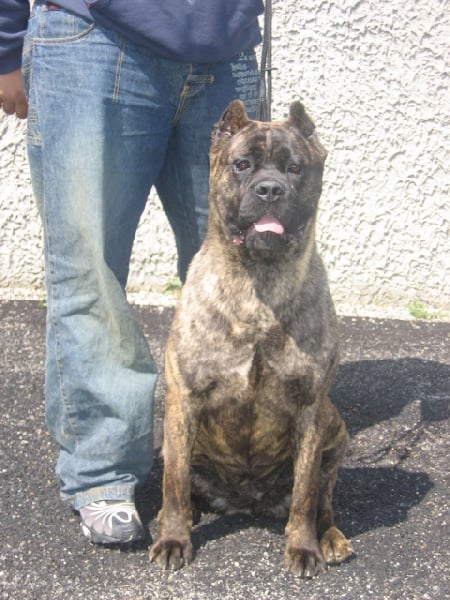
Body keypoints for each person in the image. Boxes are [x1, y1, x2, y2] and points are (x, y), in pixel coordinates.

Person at [0, 0, 263, 545]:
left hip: (223, 46)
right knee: (89, 268)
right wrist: (5, 45)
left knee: (241, 269)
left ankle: (224, 453)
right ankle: (103, 467)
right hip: (91, 37)